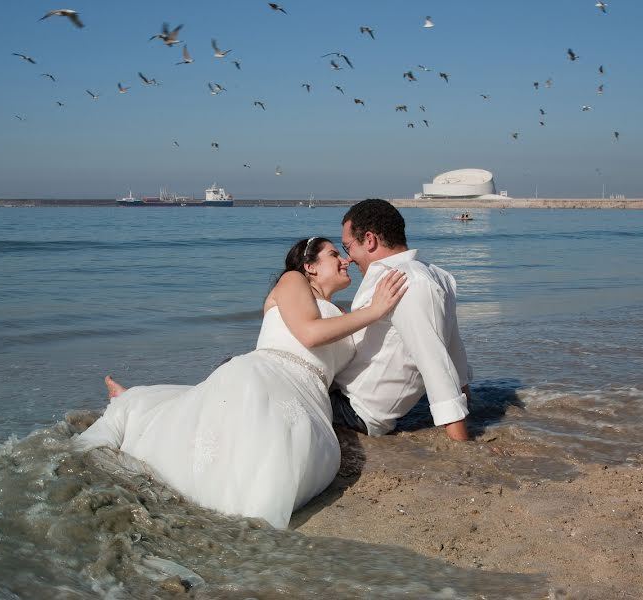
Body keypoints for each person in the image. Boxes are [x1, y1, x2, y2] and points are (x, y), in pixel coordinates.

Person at [76, 237, 407, 528]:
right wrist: (375, 311)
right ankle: (132, 407)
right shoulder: (294, 282)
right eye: (335, 254)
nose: (345, 259)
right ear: (310, 266)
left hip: (311, 394)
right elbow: (308, 334)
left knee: (284, 447)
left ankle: (137, 400)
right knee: (253, 427)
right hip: (266, 372)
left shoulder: (340, 311)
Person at [332, 199, 472, 441]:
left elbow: (435, 362)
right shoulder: (437, 275)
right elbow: (453, 350)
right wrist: (470, 405)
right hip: (350, 401)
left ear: (369, 240)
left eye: (347, 248)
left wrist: (463, 445)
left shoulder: (407, 282)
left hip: (353, 410)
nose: (349, 259)